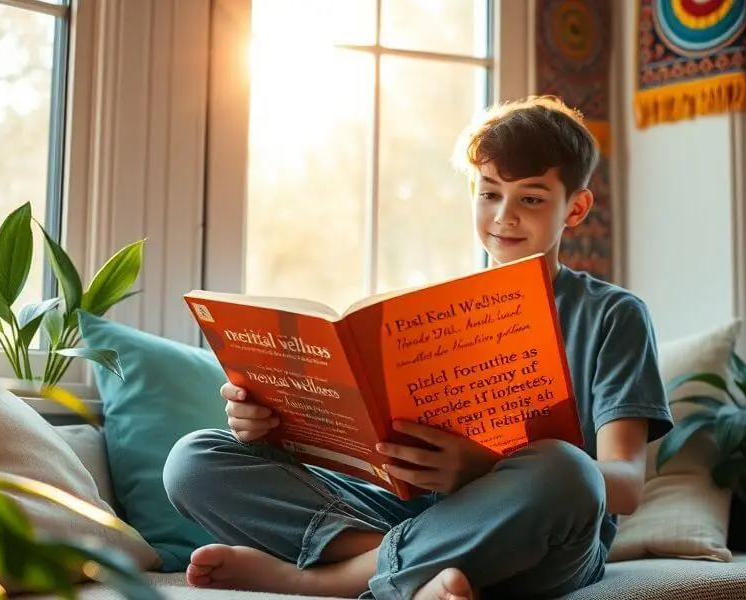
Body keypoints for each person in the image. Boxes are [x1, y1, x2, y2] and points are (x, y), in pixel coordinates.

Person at [163, 95, 673, 600]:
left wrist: (483, 468)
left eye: (532, 199)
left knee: (569, 470)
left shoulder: (614, 315)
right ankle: (415, 569)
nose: (505, 216)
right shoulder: (437, 311)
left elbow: (625, 485)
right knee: (192, 461)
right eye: (489, 193)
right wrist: (268, 427)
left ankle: (325, 580)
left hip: (545, 534)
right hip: (421, 513)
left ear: (576, 208)